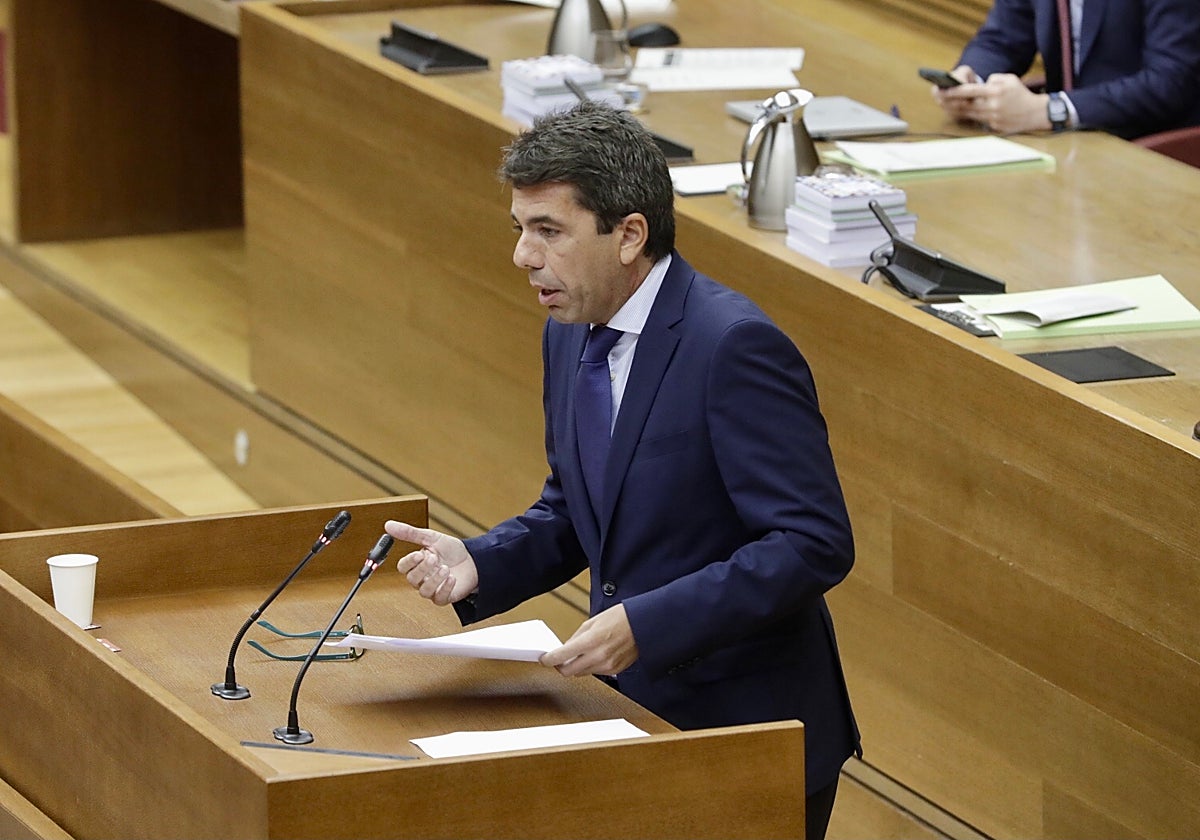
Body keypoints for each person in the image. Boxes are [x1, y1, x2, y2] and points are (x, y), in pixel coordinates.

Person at [385, 101, 860, 839]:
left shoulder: (732, 347)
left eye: (549, 231)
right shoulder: (569, 333)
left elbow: (812, 542)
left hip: (746, 730)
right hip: (630, 717)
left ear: (629, 234)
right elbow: (578, 507)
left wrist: (648, 623)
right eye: (520, 229)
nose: (523, 255)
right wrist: (479, 562)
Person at [931, 0, 1200, 139]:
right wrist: (968, 81)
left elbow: (1171, 81)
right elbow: (1001, 40)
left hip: (1153, 150)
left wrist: (1051, 110)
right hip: (1072, 146)